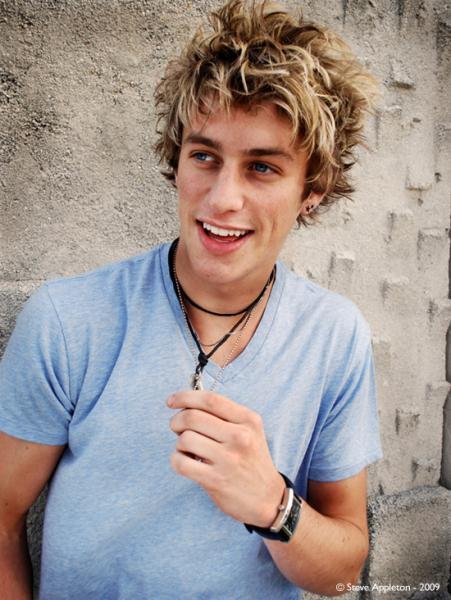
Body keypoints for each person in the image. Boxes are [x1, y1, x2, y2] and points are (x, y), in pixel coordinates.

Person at [0, 1, 382, 598]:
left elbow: (342, 574)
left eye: (262, 167)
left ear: (312, 189)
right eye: (205, 157)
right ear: (176, 162)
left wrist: (274, 504)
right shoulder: (70, 322)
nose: (223, 198)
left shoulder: (334, 337)